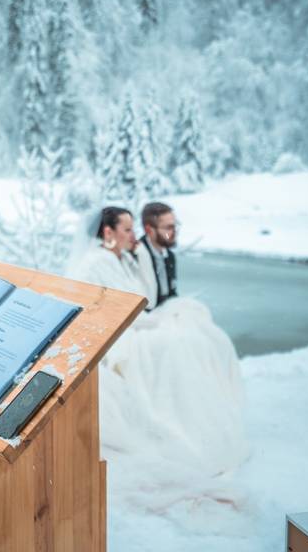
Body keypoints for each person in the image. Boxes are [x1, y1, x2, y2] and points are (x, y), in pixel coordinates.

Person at [67, 205, 249, 509]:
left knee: (190, 335)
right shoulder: (93, 264)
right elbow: (102, 311)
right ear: (107, 232)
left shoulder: (121, 257)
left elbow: (146, 296)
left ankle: (197, 414)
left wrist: (138, 261)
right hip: (116, 334)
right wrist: (145, 322)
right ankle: (174, 421)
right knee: (171, 348)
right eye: (126, 229)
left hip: (136, 324)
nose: (133, 235)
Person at [136, 201, 178, 311]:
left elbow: (172, 293)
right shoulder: (135, 256)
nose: (174, 232)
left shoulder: (170, 256)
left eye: (174, 226)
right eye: (168, 228)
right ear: (149, 230)